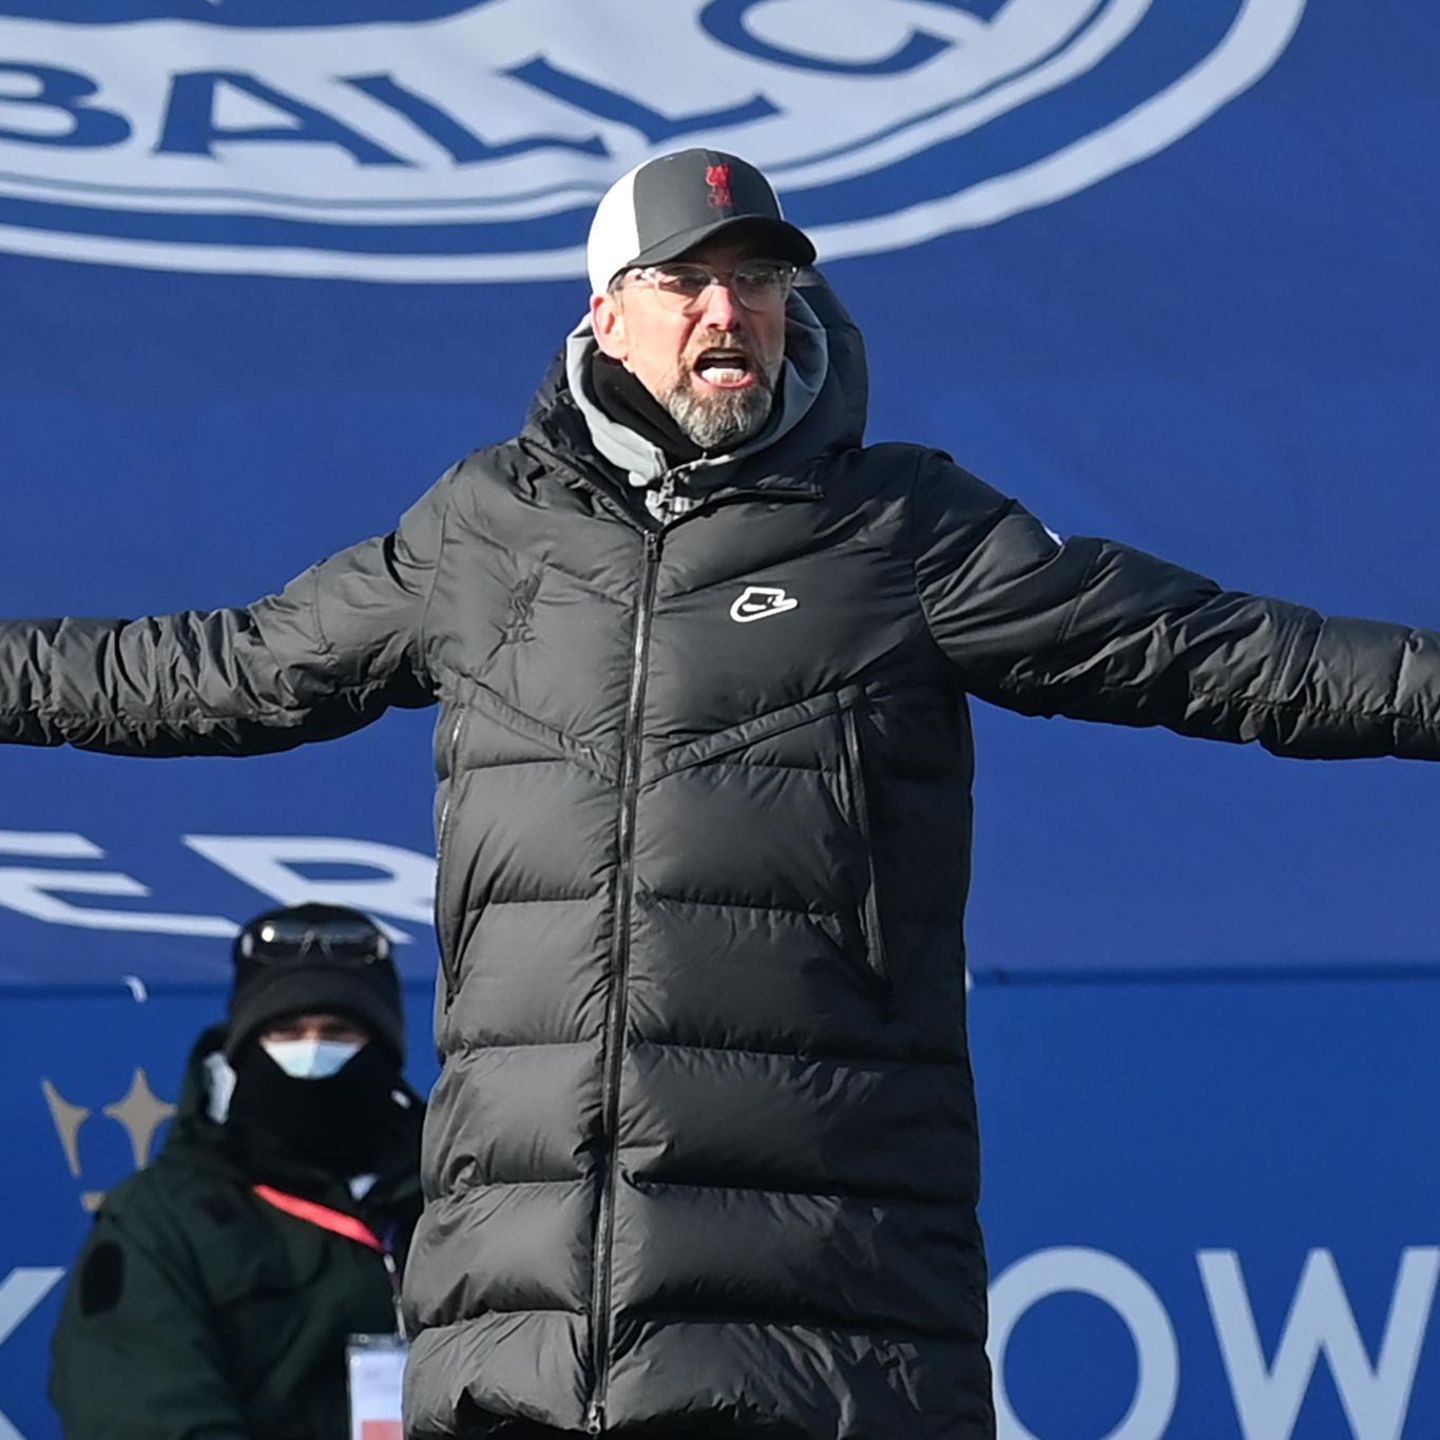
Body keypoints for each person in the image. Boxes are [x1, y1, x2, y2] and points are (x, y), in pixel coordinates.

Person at [6, 146, 1440, 1440]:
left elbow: (1215, 652)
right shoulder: (484, 533)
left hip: (818, 1327)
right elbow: (216, 670)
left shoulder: (900, 530)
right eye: (684, 280)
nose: (727, 310)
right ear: (604, 312)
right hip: (520, 1332)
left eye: (756, 279)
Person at [49, 903, 424, 1440]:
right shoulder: (159, 1221)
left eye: (339, 1032)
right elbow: (139, 1414)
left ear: (386, 1052)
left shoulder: (458, 1200)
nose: (312, 1051)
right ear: (241, 1051)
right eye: (286, 1032)